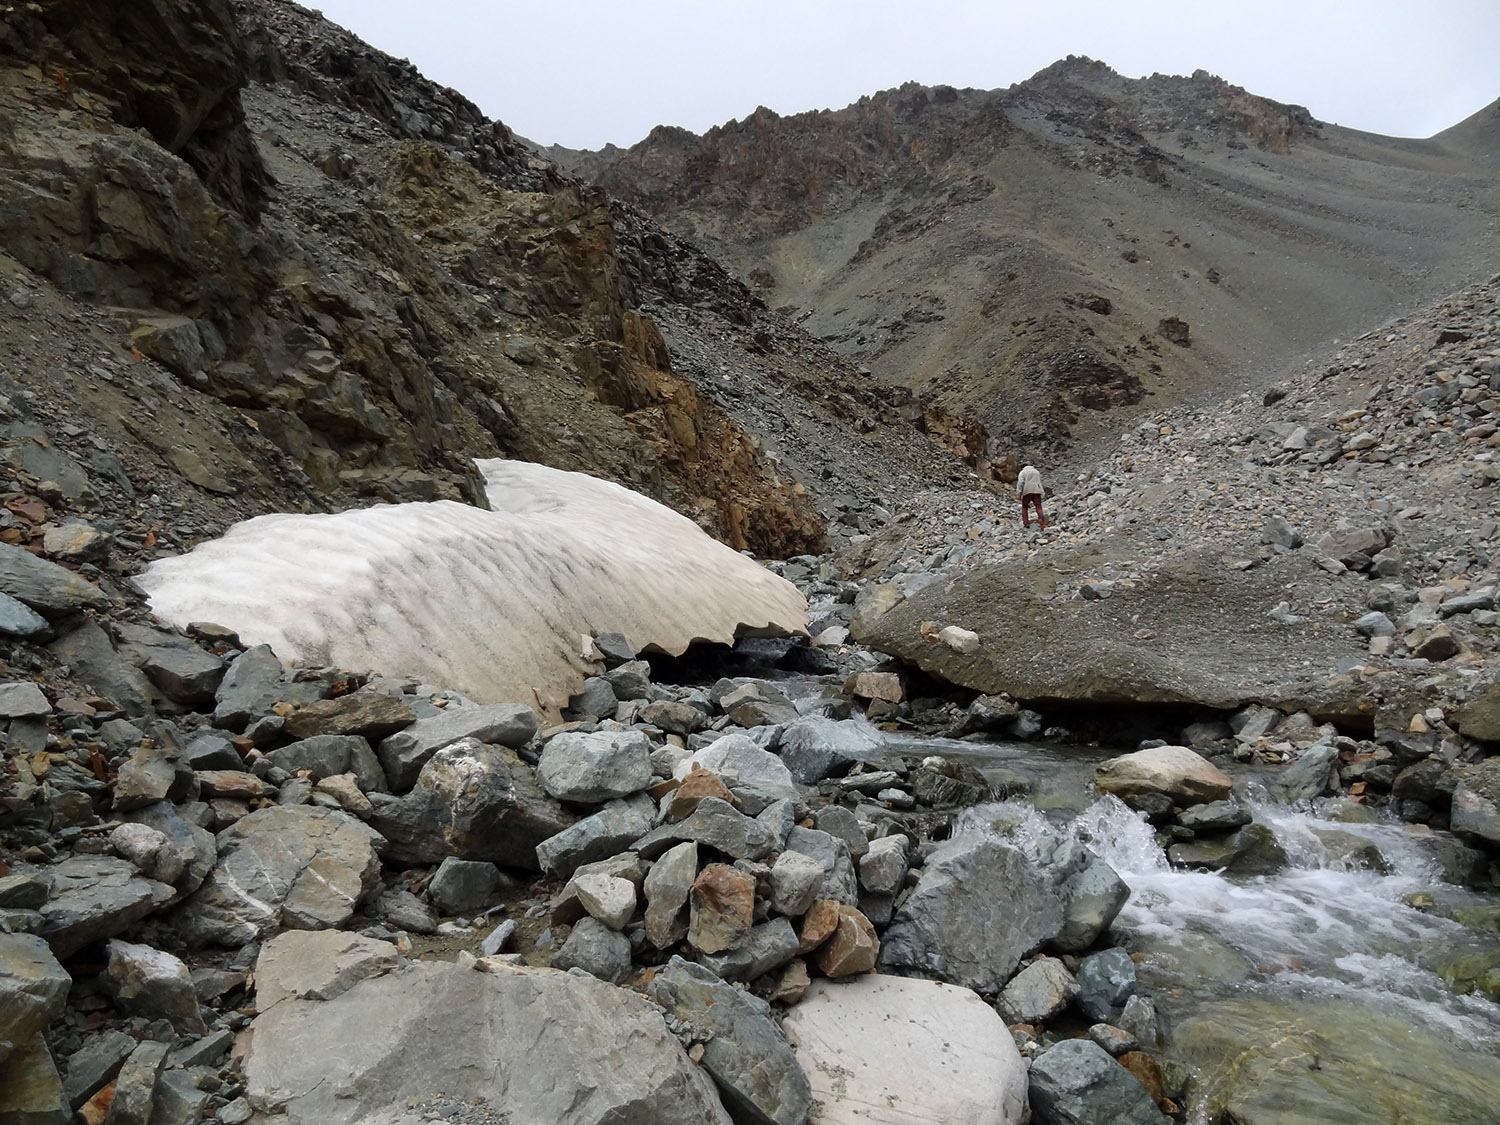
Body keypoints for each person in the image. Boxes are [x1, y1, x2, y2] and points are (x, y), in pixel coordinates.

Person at [1016, 464, 1045, 530]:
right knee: (1038, 506)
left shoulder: (1023, 472)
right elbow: (1039, 482)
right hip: (1037, 490)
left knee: (1024, 507)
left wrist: (1019, 493)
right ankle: (1041, 519)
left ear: (1023, 467)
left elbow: (1020, 483)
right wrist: (1042, 492)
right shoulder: (1036, 472)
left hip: (1027, 491)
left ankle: (1026, 523)